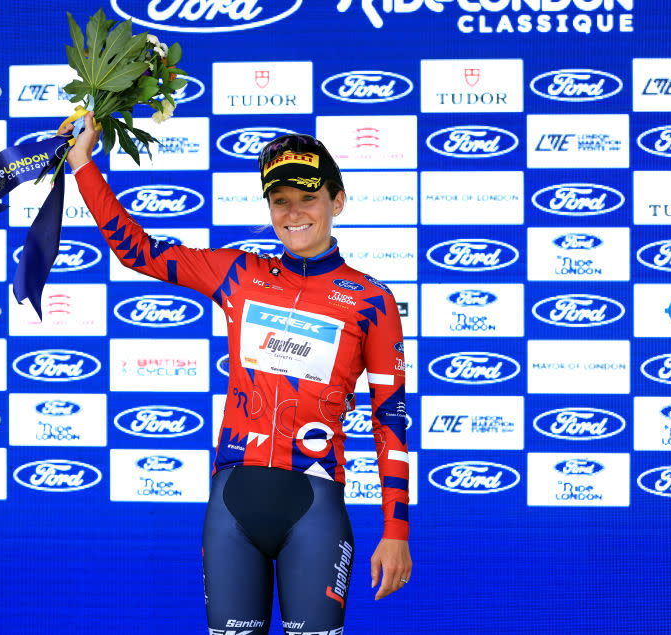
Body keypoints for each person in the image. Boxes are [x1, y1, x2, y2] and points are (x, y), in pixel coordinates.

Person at [64, 113, 412, 635]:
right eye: (280, 201)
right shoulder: (238, 273)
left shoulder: (371, 300)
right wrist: (82, 164)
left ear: (337, 202)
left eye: (308, 198)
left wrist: (396, 529)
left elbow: (390, 420)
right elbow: (137, 252)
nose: (293, 213)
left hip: (314, 506)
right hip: (232, 504)